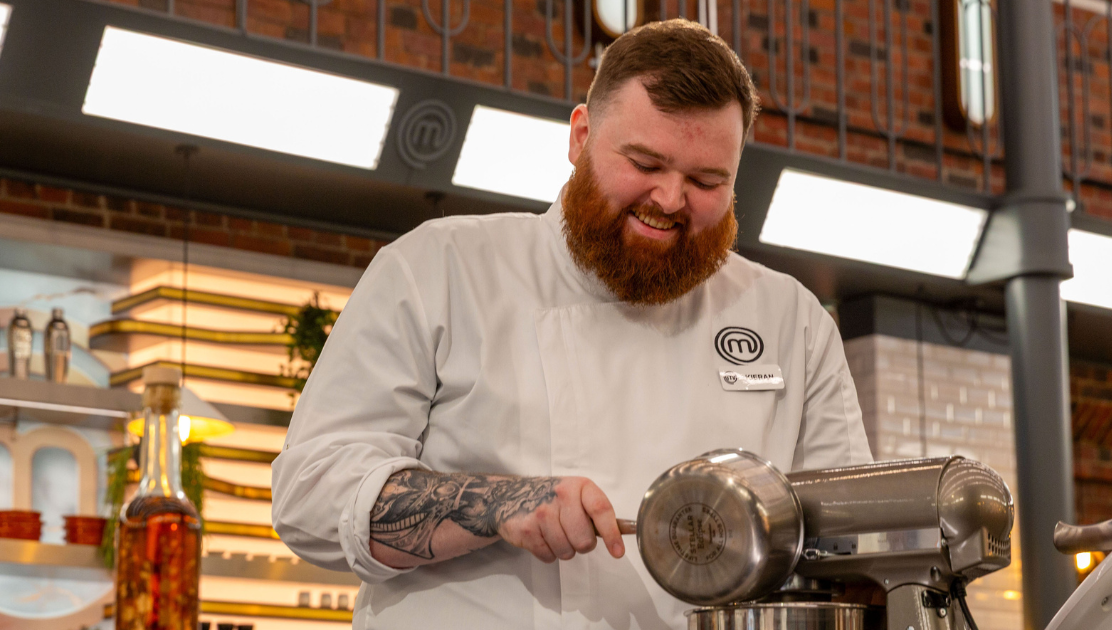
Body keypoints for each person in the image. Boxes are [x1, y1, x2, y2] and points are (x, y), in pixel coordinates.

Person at [271, 18, 872, 629]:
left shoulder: (791, 321)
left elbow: (852, 537)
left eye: (705, 180)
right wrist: (502, 504)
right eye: (644, 162)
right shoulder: (439, 269)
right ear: (580, 136)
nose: (669, 199)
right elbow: (312, 495)